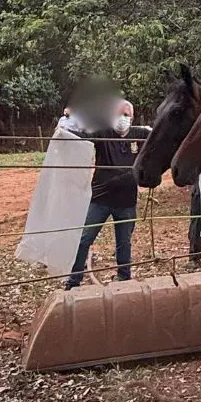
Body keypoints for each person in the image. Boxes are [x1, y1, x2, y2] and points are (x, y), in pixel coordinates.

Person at [64, 99, 149, 289]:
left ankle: (124, 278)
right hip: (101, 198)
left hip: (127, 200)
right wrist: (64, 129)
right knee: (85, 238)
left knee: (124, 242)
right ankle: (73, 281)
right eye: (119, 114)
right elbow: (79, 137)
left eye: (126, 115)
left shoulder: (140, 135)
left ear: (132, 118)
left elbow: (162, 137)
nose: (122, 118)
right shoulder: (102, 133)